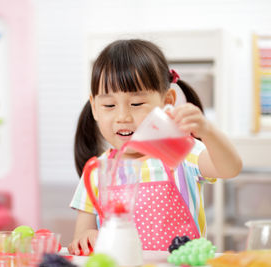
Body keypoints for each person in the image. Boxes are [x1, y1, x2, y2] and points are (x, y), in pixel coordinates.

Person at [68, 39, 242, 255]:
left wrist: (207, 131)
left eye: (137, 104)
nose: (123, 117)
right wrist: (86, 238)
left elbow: (230, 168)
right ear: (94, 107)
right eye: (109, 105)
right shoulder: (96, 170)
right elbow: (80, 238)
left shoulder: (180, 151)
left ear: (167, 101)